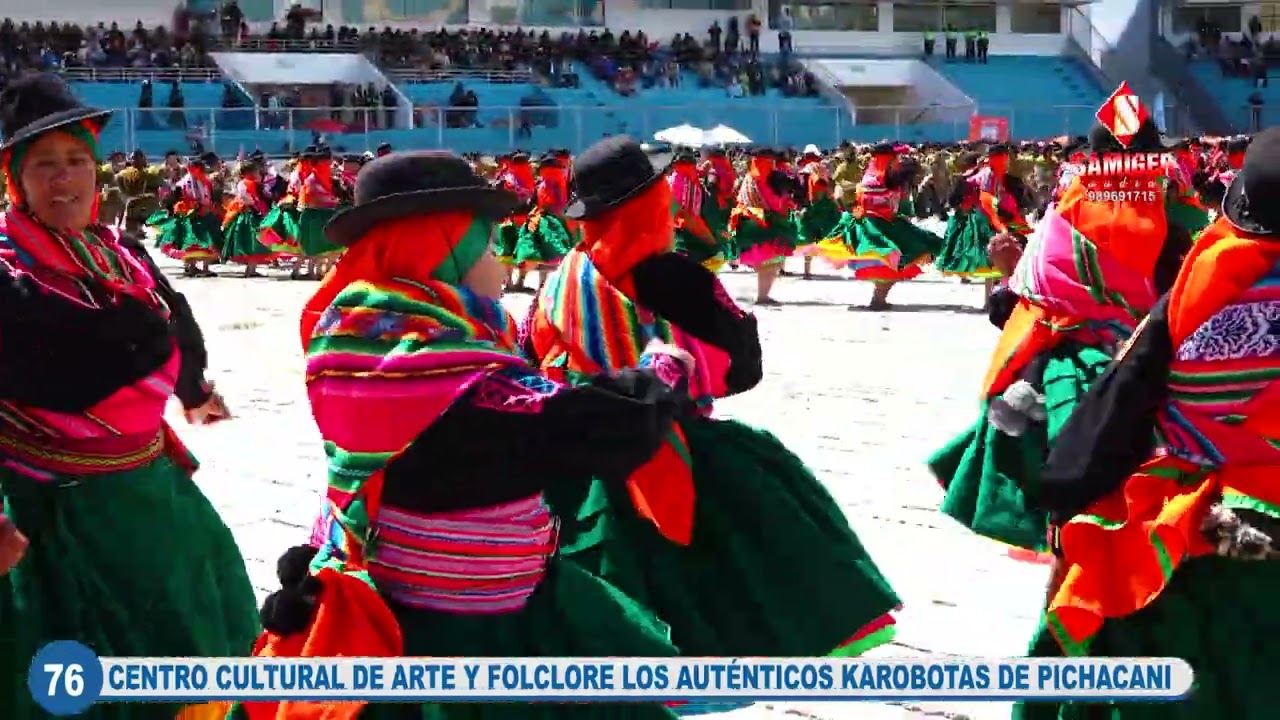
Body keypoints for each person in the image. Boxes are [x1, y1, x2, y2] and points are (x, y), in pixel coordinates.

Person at [240, 151, 691, 720]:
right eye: (487, 246)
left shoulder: (356, 326)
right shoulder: (438, 359)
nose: (500, 264)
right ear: (443, 245)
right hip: (455, 625)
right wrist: (661, 374)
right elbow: (582, 430)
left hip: (409, 578)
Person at [528, 136, 901, 660]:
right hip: (673, 444)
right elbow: (743, 370)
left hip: (572, 458)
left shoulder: (563, 283)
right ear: (652, 203)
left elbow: (531, 355)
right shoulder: (677, 277)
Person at [0, 72, 258, 720]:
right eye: (44, 166)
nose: (65, 179)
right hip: (50, 510)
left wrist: (193, 389)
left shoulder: (121, 253)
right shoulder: (8, 274)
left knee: (189, 635)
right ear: (17, 181)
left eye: (77, 161)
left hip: (146, 489)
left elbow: (175, 316)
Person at [1015, 125, 1280, 720]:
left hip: (1197, 524)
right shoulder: (1173, 212)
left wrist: (1069, 493)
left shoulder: (1209, 274)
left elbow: (1127, 395)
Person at [927, 119, 1193, 560]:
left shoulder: (1068, 213)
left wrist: (1011, 268)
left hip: (1062, 377)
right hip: (1144, 373)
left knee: (1065, 525)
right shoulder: (1179, 220)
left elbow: (1012, 310)